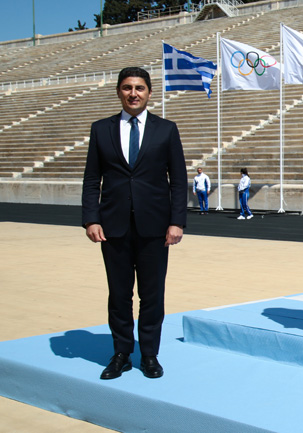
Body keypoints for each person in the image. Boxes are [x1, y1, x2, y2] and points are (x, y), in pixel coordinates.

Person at [82, 66, 187, 380]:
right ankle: (122, 353)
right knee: (119, 294)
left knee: (152, 295)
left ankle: (150, 355)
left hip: (155, 228)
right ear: (119, 91)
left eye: (139, 88)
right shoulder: (101, 129)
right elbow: (91, 179)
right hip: (113, 226)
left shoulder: (166, 130)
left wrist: (176, 222)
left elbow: (178, 181)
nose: (133, 93)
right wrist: (90, 218)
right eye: (127, 87)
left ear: (149, 93)